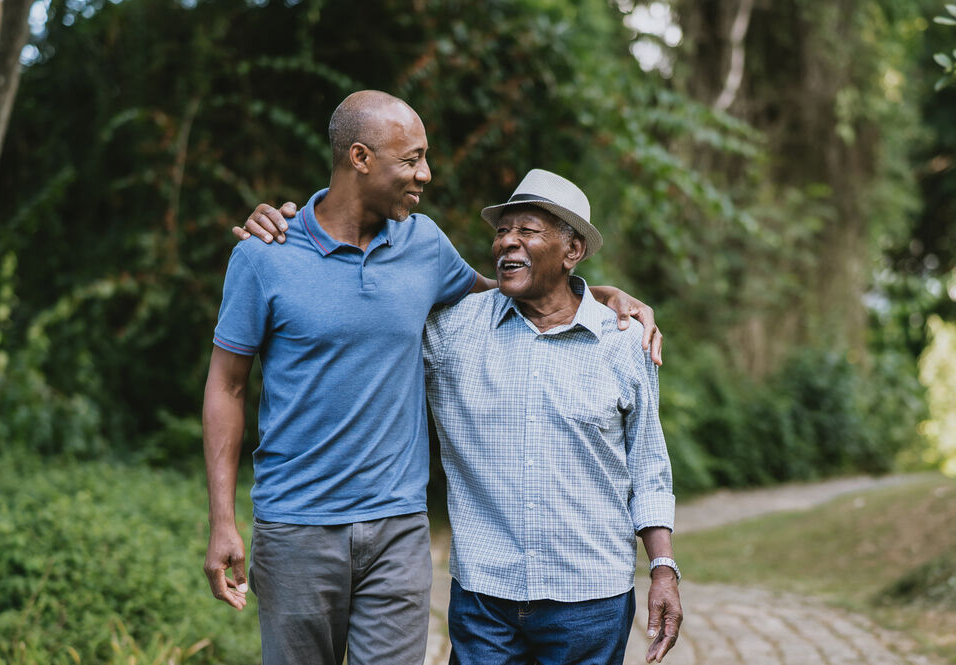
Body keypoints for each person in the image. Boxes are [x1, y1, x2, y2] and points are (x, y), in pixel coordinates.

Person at [202, 90, 659, 665]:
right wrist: (222, 522)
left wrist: (601, 296)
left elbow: (512, 296)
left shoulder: (423, 243)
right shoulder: (265, 255)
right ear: (360, 158)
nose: (426, 173)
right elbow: (227, 387)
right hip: (295, 526)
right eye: (412, 159)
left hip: (398, 528)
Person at [422, 169, 682, 664]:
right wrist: (294, 233)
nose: (507, 242)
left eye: (528, 230)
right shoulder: (452, 333)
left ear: (572, 250)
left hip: (591, 602)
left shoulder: (623, 343)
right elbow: (366, 318)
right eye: (502, 230)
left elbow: (649, 467)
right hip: (485, 598)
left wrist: (663, 568)